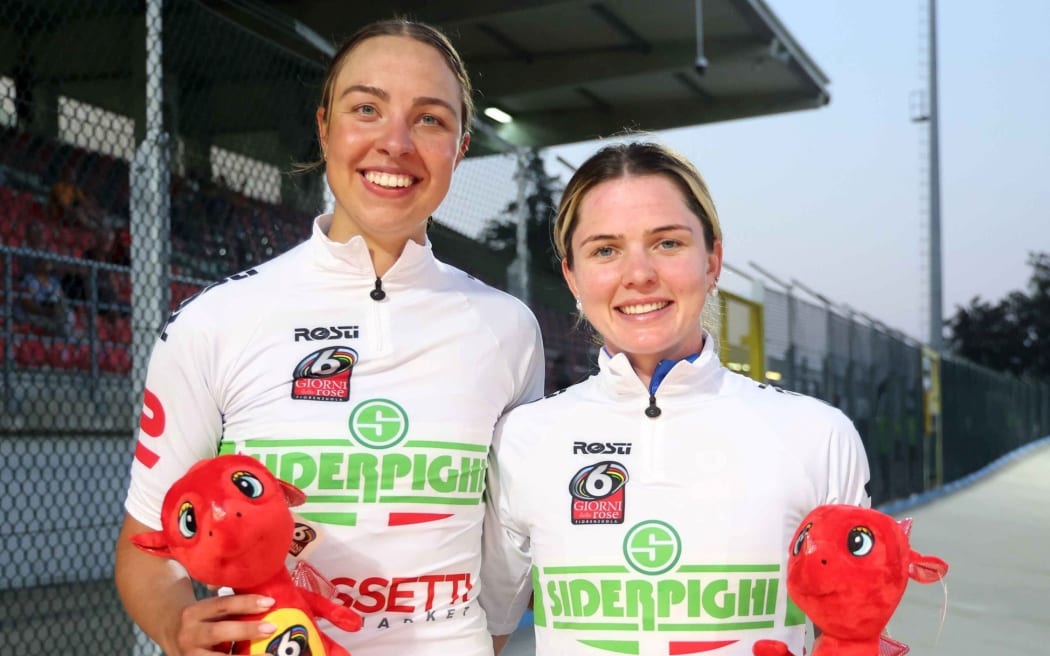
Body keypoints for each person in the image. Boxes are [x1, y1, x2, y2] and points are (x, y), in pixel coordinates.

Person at [114, 18, 545, 656]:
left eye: (429, 119)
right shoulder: (216, 319)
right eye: (366, 108)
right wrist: (178, 626)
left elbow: (507, 549)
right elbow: (145, 546)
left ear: (460, 147)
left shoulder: (509, 328)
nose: (395, 142)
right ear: (324, 127)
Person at [480, 142, 870, 656]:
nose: (638, 273)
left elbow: (851, 636)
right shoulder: (521, 441)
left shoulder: (818, 435)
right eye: (605, 249)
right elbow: (486, 634)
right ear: (573, 276)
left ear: (713, 261)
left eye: (667, 243)